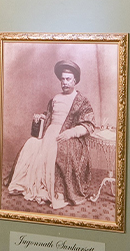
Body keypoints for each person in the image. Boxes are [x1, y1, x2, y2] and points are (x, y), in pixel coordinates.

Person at [6, 60, 97, 210]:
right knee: (31, 145)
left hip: (68, 136)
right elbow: (49, 116)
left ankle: (56, 192)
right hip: (49, 133)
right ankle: (32, 184)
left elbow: (89, 124)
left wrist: (71, 132)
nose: (64, 82)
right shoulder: (55, 98)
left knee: (56, 151)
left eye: (68, 79)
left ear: (75, 81)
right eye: (62, 79)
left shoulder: (81, 101)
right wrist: (41, 117)